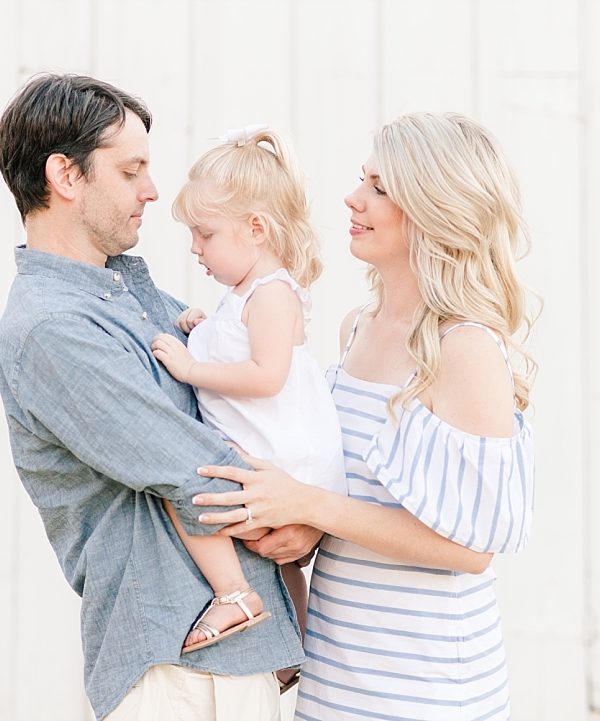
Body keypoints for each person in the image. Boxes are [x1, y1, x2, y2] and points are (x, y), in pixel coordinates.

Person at [189, 112, 537, 721]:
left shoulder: (467, 348)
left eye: (380, 187)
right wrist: (302, 528)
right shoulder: (356, 330)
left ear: (436, 206)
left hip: (426, 689)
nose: (353, 198)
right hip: (336, 675)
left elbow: (472, 548)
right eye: (361, 179)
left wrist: (308, 506)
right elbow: (358, 497)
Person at [0, 73, 307, 721]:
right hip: (173, 668)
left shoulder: (128, 292)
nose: (152, 189)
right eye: (131, 169)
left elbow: (246, 399)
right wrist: (303, 515)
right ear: (66, 175)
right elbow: (190, 464)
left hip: (236, 658)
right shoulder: (53, 328)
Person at [150, 126, 345, 668]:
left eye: (205, 234)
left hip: (283, 454)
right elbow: (239, 343)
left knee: (181, 488)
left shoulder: (273, 293)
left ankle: (233, 594)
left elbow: (266, 375)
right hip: (270, 449)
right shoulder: (242, 297)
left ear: (255, 228)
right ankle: (296, 651)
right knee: (284, 563)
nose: (195, 248)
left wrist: (191, 366)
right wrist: (202, 327)